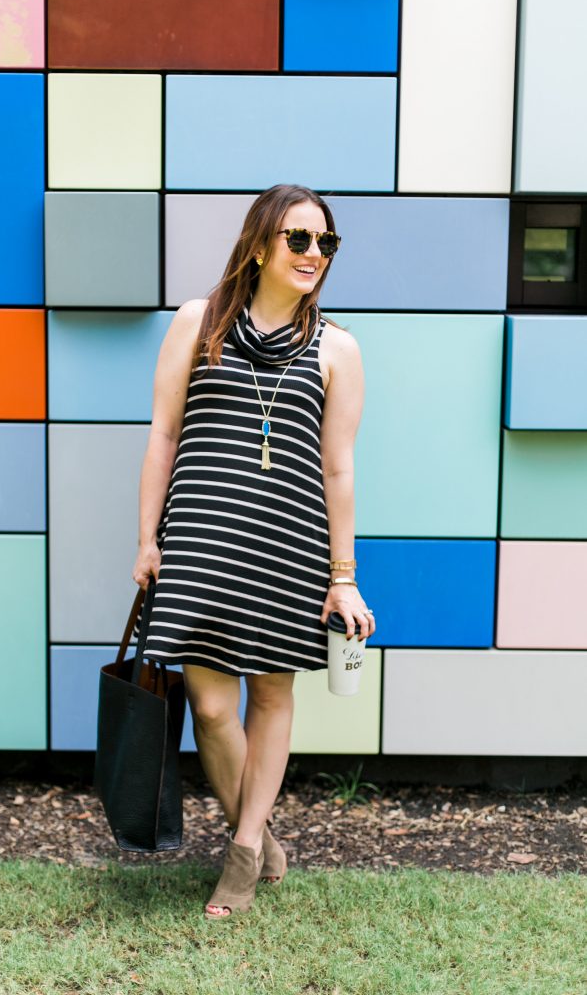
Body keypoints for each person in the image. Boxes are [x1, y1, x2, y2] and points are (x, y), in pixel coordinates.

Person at [132, 183, 376, 920]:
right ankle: (260, 832)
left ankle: (240, 853)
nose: (313, 255)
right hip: (201, 542)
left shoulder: (337, 348)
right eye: (299, 240)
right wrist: (147, 539)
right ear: (261, 244)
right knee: (210, 709)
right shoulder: (196, 323)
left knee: (270, 696)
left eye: (325, 243)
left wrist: (344, 579)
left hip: (287, 548)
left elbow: (337, 468)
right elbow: (163, 436)